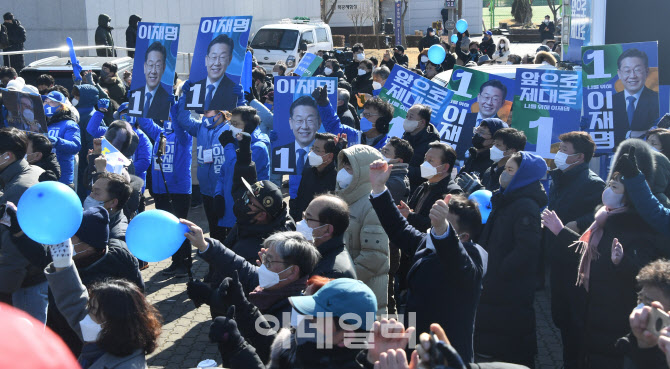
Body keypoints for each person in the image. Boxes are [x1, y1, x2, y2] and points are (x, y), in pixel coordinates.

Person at [369, 159, 487, 362]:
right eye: (435, 219)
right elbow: (399, 229)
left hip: (447, 354)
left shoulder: (474, 255)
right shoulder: (428, 242)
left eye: (444, 221)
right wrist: (379, 188)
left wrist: (443, 230)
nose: (434, 224)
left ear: (464, 236)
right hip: (417, 343)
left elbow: (457, 261)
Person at [542, 171, 662, 369]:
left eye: (614, 187)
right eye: (609, 185)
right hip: (595, 312)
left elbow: (643, 276)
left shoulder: (637, 226)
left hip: (615, 318)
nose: (607, 191)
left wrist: (622, 263)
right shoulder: (604, 219)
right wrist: (561, 231)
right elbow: (588, 253)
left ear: (630, 196)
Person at [4, 204, 144, 356]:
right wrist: (19, 232)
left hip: (84, 350)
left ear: (88, 245)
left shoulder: (102, 281)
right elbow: (42, 257)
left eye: (70, 235)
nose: (63, 241)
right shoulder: (72, 257)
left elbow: (80, 317)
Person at [538, 132, 605, 368]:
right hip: (557, 260)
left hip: (576, 266)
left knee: (576, 325)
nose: (559, 153)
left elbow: (602, 215)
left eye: (564, 149)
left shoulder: (592, 183)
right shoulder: (561, 179)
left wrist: (579, 221)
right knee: (561, 320)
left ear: (579, 157)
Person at [476, 152, 548, 368]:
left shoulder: (525, 205)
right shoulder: (506, 198)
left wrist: (500, 271)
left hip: (508, 286)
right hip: (495, 281)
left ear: (524, 175)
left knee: (511, 343)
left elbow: (527, 249)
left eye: (509, 170)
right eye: (505, 168)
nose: (503, 174)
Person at [41, 237, 158, 368]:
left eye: (93, 311)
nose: (85, 314)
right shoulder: (106, 336)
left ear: (114, 321)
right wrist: (62, 266)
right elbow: (73, 301)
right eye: (90, 307)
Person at [187, 231, 319, 326]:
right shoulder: (273, 285)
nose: (262, 266)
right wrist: (204, 245)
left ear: (292, 271)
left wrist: (212, 298)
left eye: (269, 261)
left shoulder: (293, 316)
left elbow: (260, 341)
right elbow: (238, 265)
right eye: (264, 258)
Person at [334, 144, 389, 314]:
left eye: (350, 168)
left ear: (363, 173)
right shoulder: (343, 199)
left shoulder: (372, 206)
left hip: (364, 294)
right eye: (344, 166)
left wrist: (341, 281)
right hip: (346, 293)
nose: (343, 171)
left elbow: (374, 256)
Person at [137, 112, 193, 277]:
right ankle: (176, 262)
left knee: (181, 228)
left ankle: (185, 264)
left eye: (170, 117)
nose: (167, 119)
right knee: (169, 229)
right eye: (166, 116)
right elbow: (146, 123)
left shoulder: (184, 136)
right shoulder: (161, 134)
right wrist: (140, 104)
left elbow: (179, 126)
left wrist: (174, 112)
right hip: (161, 189)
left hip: (178, 190)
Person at [174, 85, 229, 242]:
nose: (205, 110)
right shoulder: (200, 127)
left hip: (224, 189)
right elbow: (183, 119)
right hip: (206, 189)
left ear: (221, 112)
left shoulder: (230, 128)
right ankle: (215, 260)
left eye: (209, 108)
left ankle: (227, 261)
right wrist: (184, 95)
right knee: (214, 227)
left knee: (227, 227)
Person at [0, 128, 45, 318]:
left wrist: (3, 290)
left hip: (24, 284)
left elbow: (14, 248)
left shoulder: (19, 190)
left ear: (7, 156)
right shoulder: (32, 170)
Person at [214, 106, 271, 236]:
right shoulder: (235, 142)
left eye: (235, 124)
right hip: (230, 205)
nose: (231, 127)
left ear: (248, 126)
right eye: (230, 123)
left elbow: (237, 168)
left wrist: (228, 146)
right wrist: (218, 194)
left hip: (249, 207)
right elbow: (224, 172)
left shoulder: (258, 147)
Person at [619, 260, 670, 368]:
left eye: (648, 303)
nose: (640, 309)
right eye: (640, 299)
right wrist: (644, 345)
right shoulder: (631, 344)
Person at [402, 141, 462, 232]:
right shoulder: (423, 186)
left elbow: (444, 228)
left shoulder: (453, 193)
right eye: (425, 159)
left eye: (430, 160)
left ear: (445, 167)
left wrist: (410, 216)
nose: (424, 164)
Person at [296, 194, 358, 278]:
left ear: (327, 230)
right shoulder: (317, 254)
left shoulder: (332, 275)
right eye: (303, 216)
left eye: (308, 219)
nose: (301, 222)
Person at [317, 86, 392, 150]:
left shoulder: (388, 148)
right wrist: (324, 104)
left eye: (368, 115)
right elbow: (333, 126)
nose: (363, 119)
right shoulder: (353, 136)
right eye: (363, 115)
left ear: (382, 120)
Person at [290, 132, 343, 222]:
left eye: (317, 150)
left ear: (330, 156)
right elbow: (299, 202)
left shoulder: (337, 180)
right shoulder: (307, 172)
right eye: (312, 148)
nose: (312, 153)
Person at [611, 48, 660, 142]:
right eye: (627, 71)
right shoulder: (608, 102)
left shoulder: (657, 100)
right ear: (619, 74)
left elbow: (659, 133)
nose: (633, 76)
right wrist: (630, 134)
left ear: (646, 72)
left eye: (637, 70)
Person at [458, 127, 527, 193]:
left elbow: (498, 201)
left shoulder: (514, 176)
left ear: (512, 151)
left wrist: (477, 188)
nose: (493, 148)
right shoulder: (489, 170)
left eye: (498, 145)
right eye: (494, 144)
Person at [193, 34, 244, 112]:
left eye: (222, 57)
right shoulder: (194, 87)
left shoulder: (233, 90)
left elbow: (240, 119)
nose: (217, 63)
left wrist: (240, 101)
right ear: (206, 59)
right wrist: (183, 97)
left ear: (229, 60)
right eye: (213, 57)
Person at [44, 91, 81, 187]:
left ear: (61, 106)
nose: (47, 105)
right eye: (46, 102)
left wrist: (57, 141)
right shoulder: (45, 124)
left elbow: (75, 147)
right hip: (46, 175)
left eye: (51, 102)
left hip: (63, 179)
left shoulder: (70, 124)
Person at [400, 104, 440, 191]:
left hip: (414, 190)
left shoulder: (432, 145)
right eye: (407, 116)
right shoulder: (406, 136)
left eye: (411, 117)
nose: (407, 119)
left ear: (422, 122)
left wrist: (401, 169)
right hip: (399, 184)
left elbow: (427, 173)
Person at [130, 42, 172, 119]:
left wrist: (173, 108)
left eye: (158, 66)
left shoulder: (166, 98)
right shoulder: (135, 94)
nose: (153, 71)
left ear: (163, 68)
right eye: (150, 65)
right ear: (145, 67)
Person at [85, 172, 132, 242]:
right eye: (92, 191)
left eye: (96, 193)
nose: (90, 196)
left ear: (113, 202)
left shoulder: (117, 237)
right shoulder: (90, 218)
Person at [381, 137, 412, 206]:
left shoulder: (397, 182)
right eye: (381, 150)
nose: (381, 154)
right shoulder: (384, 171)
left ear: (398, 160)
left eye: (385, 152)